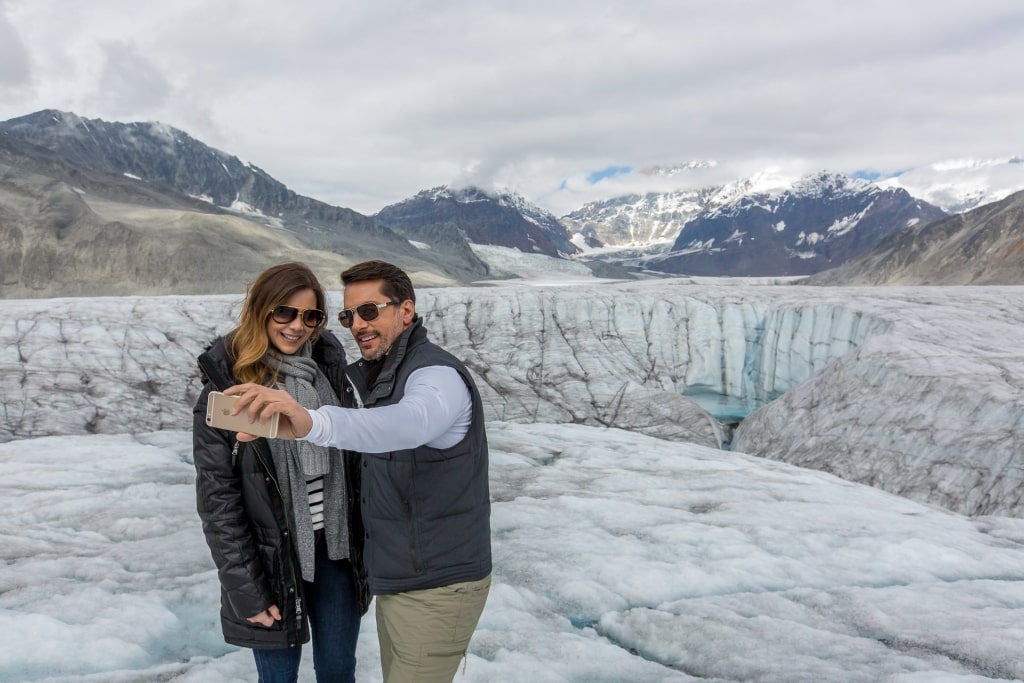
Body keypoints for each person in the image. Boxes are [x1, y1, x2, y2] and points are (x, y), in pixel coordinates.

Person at [226, 260, 492, 683]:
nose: (357, 325)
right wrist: (246, 587)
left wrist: (312, 423)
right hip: (387, 577)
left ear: (406, 311)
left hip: (430, 580)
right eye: (349, 315)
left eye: (370, 311)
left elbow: (407, 424)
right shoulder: (232, 382)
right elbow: (219, 500)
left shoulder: (432, 374)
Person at [192, 262, 369, 683]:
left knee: (338, 672)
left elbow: (357, 461)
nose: (297, 326)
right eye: (285, 313)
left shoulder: (331, 375)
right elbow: (218, 503)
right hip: (270, 561)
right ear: (261, 310)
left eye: (310, 317)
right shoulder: (227, 391)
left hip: (337, 554)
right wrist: (246, 590)